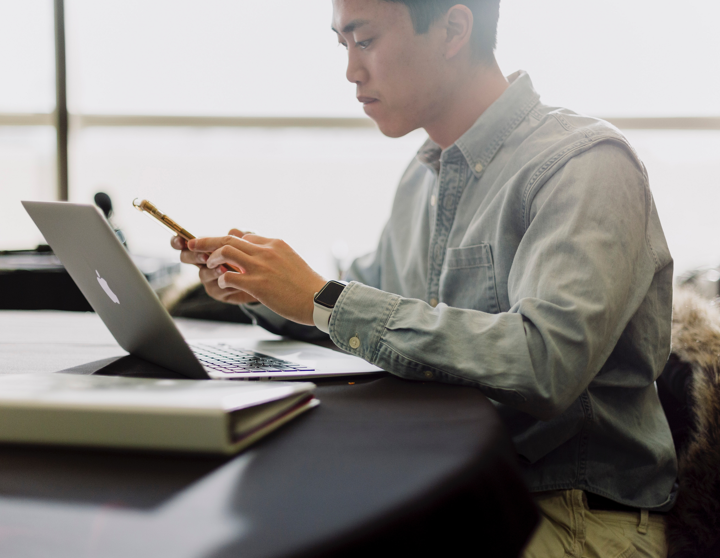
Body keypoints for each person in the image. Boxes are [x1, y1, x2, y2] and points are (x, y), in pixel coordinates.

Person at [172, 1, 676, 555]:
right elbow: (364, 309)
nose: (351, 71)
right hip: (451, 487)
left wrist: (322, 297)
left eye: (363, 40)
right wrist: (264, 289)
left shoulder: (584, 165)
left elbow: (545, 362)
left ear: (454, 29)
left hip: (567, 510)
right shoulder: (423, 177)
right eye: (343, 45)